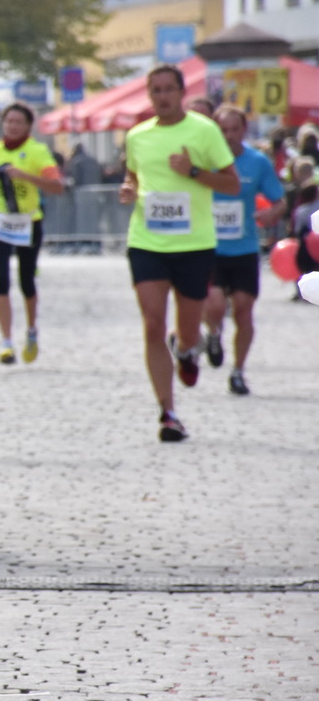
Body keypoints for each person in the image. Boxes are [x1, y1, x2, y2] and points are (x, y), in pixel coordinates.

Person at [119, 64, 239, 441]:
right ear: (149, 94)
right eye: (156, 90)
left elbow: (232, 184)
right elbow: (134, 178)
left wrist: (192, 172)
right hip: (147, 241)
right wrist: (127, 189)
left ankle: (186, 351)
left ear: (182, 91)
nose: (163, 96)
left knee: (187, 331)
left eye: (169, 89)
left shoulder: (204, 131)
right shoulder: (137, 136)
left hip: (194, 244)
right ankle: (168, 413)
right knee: (152, 323)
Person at [0, 102, 65, 364]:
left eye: (18, 122)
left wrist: (25, 176)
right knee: (1, 279)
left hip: (28, 222)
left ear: (28, 126)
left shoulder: (37, 151)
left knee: (26, 280)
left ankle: (32, 331)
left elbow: (57, 186)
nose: (12, 126)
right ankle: (6, 341)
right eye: (8, 121)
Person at [198, 107, 281, 395]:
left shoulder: (257, 162)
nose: (229, 136)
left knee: (244, 312)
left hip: (244, 248)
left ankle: (238, 371)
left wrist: (272, 213)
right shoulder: (204, 160)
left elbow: (279, 199)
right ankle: (214, 334)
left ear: (243, 131)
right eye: (223, 130)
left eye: (235, 130)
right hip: (210, 248)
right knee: (216, 305)